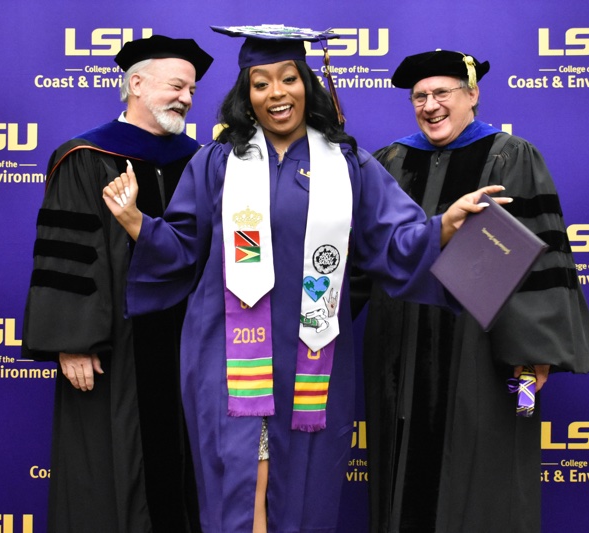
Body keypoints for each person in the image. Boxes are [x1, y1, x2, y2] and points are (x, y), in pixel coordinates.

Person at [101, 26, 508, 533]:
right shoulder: (217, 162)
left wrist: (443, 226)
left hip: (311, 352)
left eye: (288, 78)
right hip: (226, 352)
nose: (276, 93)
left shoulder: (348, 164)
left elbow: (392, 242)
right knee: (238, 480)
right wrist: (138, 223)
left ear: (307, 85)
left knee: (305, 486)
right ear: (246, 95)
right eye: (261, 82)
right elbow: (184, 248)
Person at [362, 49, 589, 533]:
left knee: (492, 465)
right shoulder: (390, 161)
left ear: (472, 94)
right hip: (401, 344)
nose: (430, 106)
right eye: (419, 97)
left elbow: (533, 259)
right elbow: (370, 254)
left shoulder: (509, 156)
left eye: (442, 93)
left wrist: (533, 357)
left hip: (485, 345)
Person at [21, 35, 213, 533]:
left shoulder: (202, 161)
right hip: (118, 348)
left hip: (192, 345)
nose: (186, 99)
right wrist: (73, 342)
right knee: (112, 471)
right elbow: (68, 254)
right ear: (135, 84)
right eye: (176, 86)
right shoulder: (85, 158)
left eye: (191, 90)